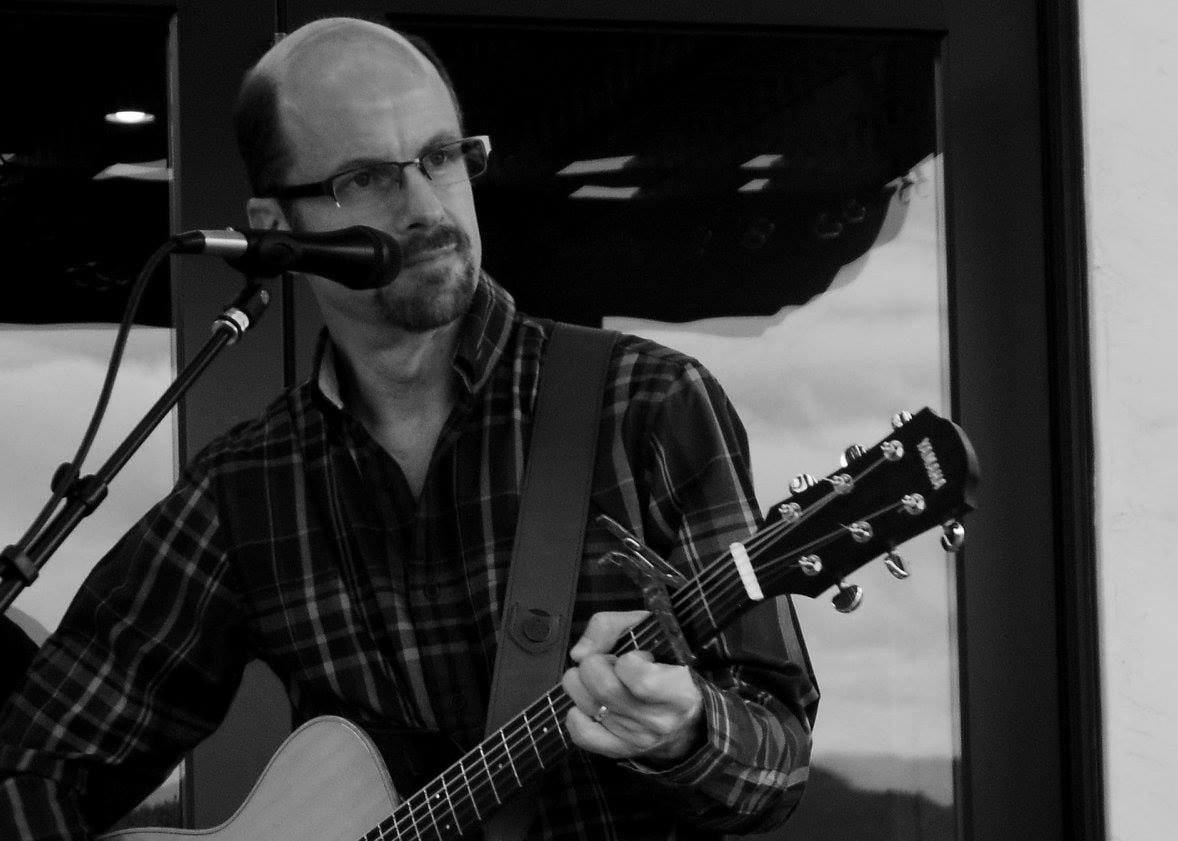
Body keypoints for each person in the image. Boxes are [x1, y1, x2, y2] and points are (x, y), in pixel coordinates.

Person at [0, 17, 817, 841]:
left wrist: (686, 731)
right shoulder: (248, 488)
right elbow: (34, 760)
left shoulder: (646, 404)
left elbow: (776, 756)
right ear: (274, 226)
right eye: (366, 177)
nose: (427, 205)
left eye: (441, 156)